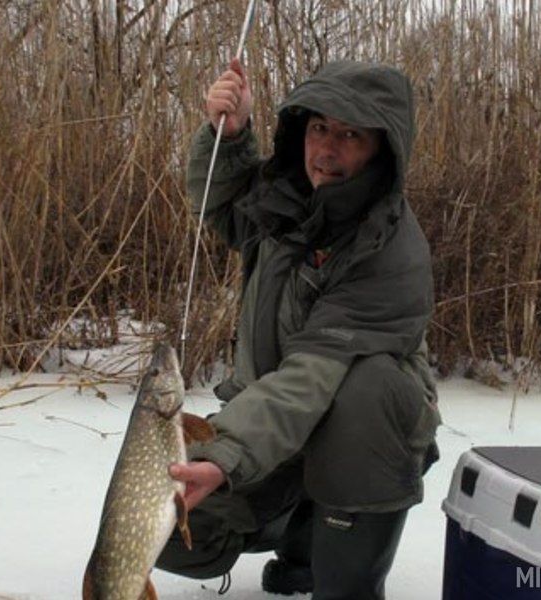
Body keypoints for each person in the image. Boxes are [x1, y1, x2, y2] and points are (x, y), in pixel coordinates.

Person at [157, 59, 441, 599]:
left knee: (365, 388)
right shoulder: (286, 201)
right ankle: (303, 535)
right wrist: (232, 136)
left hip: (368, 436)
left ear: (384, 148)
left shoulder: (393, 252)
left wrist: (225, 454)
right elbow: (221, 207)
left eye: (350, 135)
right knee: (169, 529)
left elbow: (311, 375)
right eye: (318, 129)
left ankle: (346, 579)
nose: (327, 150)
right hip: (278, 427)